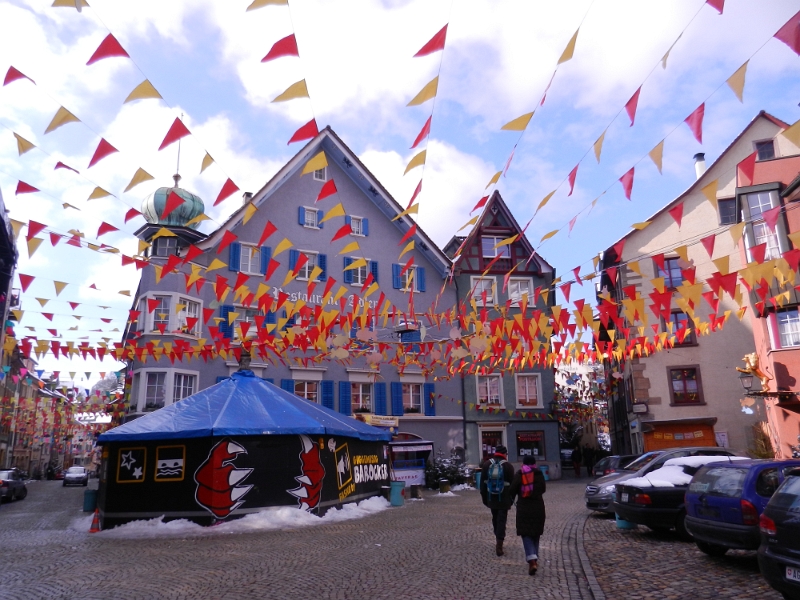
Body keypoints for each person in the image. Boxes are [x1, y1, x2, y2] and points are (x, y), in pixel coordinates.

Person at [509, 455, 546, 575]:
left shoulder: (520, 474)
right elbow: (543, 489)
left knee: (526, 533)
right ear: (534, 463)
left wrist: (511, 501)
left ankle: (532, 560)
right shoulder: (539, 474)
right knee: (535, 533)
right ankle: (534, 558)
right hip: (538, 508)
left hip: (524, 508)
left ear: (524, 463)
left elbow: (511, 490)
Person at [480, 445, 515, 557]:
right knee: (502, 519)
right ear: (504, 454)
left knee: (495, 518)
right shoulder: (508, 466)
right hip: (504, 498)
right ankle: (499, 543)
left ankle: (497, 537)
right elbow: (513, 486)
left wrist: (485, 499)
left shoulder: (486, 464)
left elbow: (482, 484)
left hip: (491, 497)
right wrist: (511, 499)